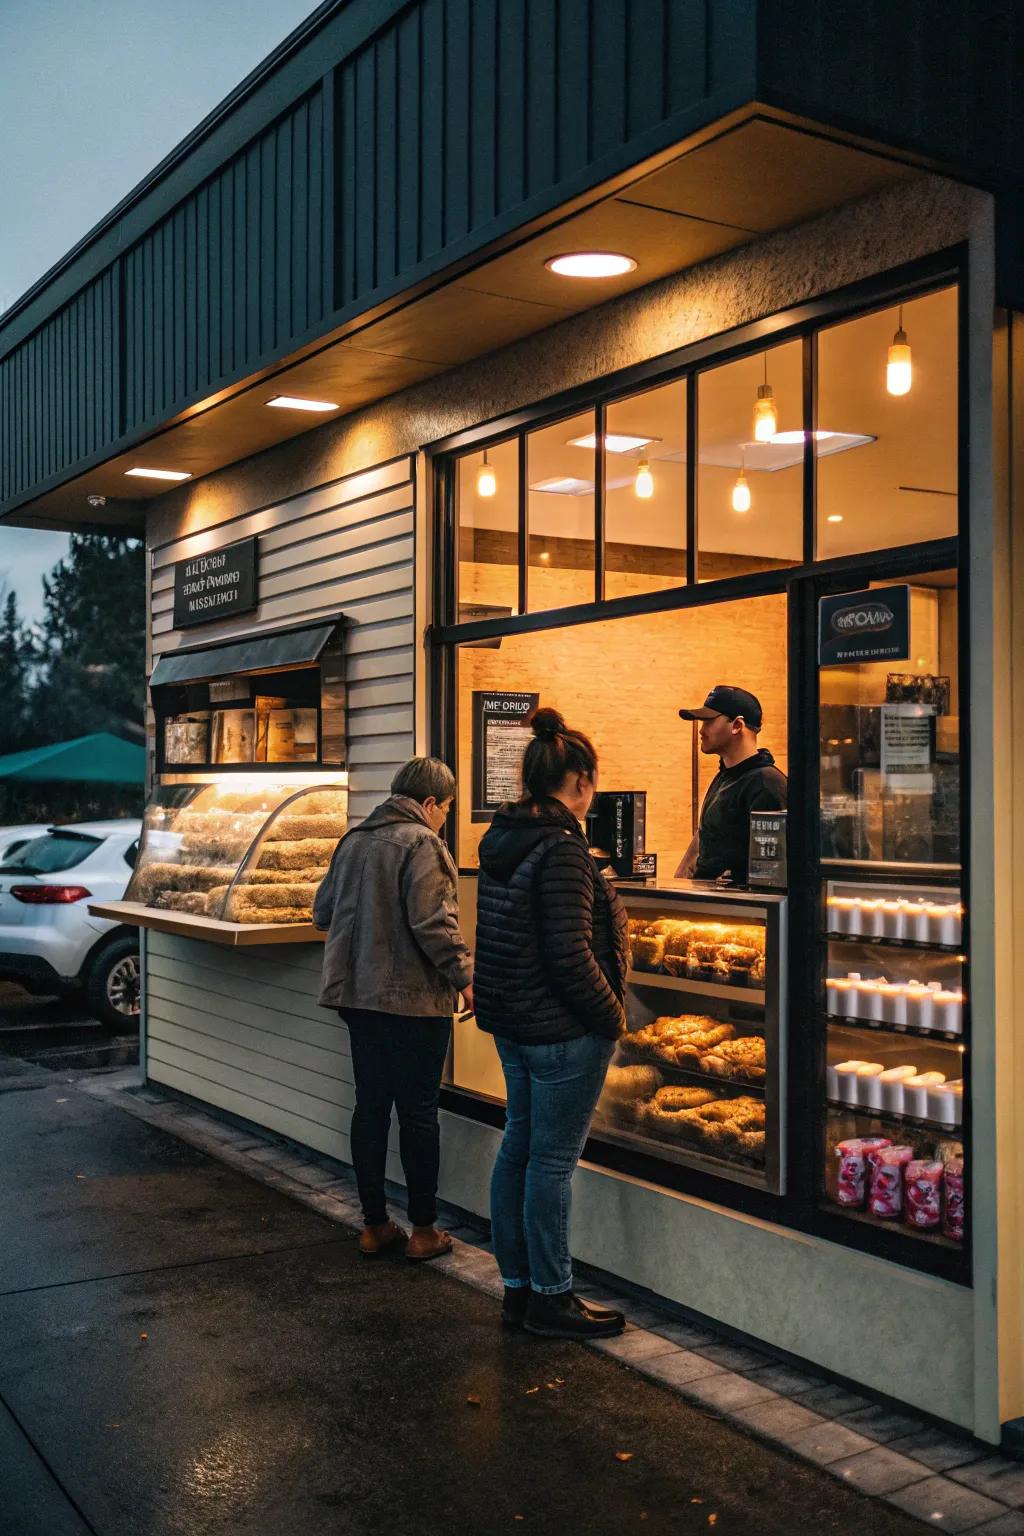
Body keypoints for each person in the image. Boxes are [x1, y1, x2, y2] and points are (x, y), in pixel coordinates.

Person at [474, 708, 628, 1341]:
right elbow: (569, 952)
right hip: (562, 1031)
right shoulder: (562, 849)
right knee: (551, 1163)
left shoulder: (505, 839)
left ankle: (518, 1288)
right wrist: (611, 1018)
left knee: (520, 1148)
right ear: (582, 782)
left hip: (514, 1024)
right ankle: (552, 1295)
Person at [313, 757, 472, 1262]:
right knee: (420, 1113)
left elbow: (322, 912)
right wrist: (466, 977)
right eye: (445, 808)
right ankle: (423, 1231)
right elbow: (435, 924)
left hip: (358, 999)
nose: (444, 818)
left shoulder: (354, 840)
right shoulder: (423, 843)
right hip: (412, 1002)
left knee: (371, 1107)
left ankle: (375, 1225)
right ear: (430, 803)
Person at [675, 684, 788, 885]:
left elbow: (772, 872)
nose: (701, 730)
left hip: (741, 911)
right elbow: (707, 833)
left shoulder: (766, 785)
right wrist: (680, 879)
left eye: (709, 721)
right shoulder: (725, 776)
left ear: (737, 725)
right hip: (713, 908)